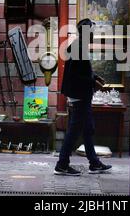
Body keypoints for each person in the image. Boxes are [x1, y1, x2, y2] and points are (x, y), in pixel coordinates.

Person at [54, 18, 112, 176]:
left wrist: (96, 77)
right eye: (93, 32)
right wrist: (94, 83)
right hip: (80, 96)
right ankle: (62, 164)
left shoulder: (79, 46)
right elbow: (75, 76)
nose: (94, 35)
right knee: (74, 132)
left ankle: (94, 163)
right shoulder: (79, 47)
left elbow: (82, 71)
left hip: (80, 95)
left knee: (87, 129)